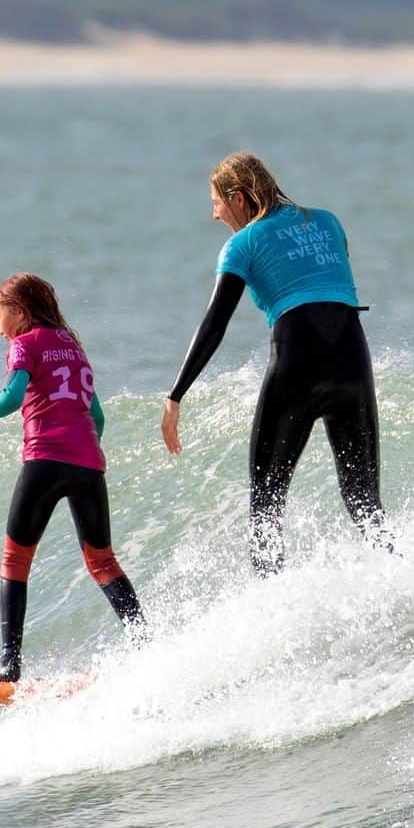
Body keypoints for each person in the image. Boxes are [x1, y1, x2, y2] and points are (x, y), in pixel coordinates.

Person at [161, 151, 389, 573]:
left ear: (238, 197)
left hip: (298, 360)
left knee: (266, 503)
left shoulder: (242, 244)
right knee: (365, 502)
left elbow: (214, 324)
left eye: (216, 202)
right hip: (352, 359)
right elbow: (329, 286)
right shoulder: (328, 222)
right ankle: (405, 583)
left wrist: (176, 395)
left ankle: (271, 604)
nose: (214, 215)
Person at [0, 272, 144, 681]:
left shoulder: (25, 344)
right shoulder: (73, 347)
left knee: (15, 560)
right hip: (89, 465)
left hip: (44, 461)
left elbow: (12, 396)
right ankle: (144, 642)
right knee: (103, 562)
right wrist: (83, 454)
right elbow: (97, 416)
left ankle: (10, 662)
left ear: (19, 313)